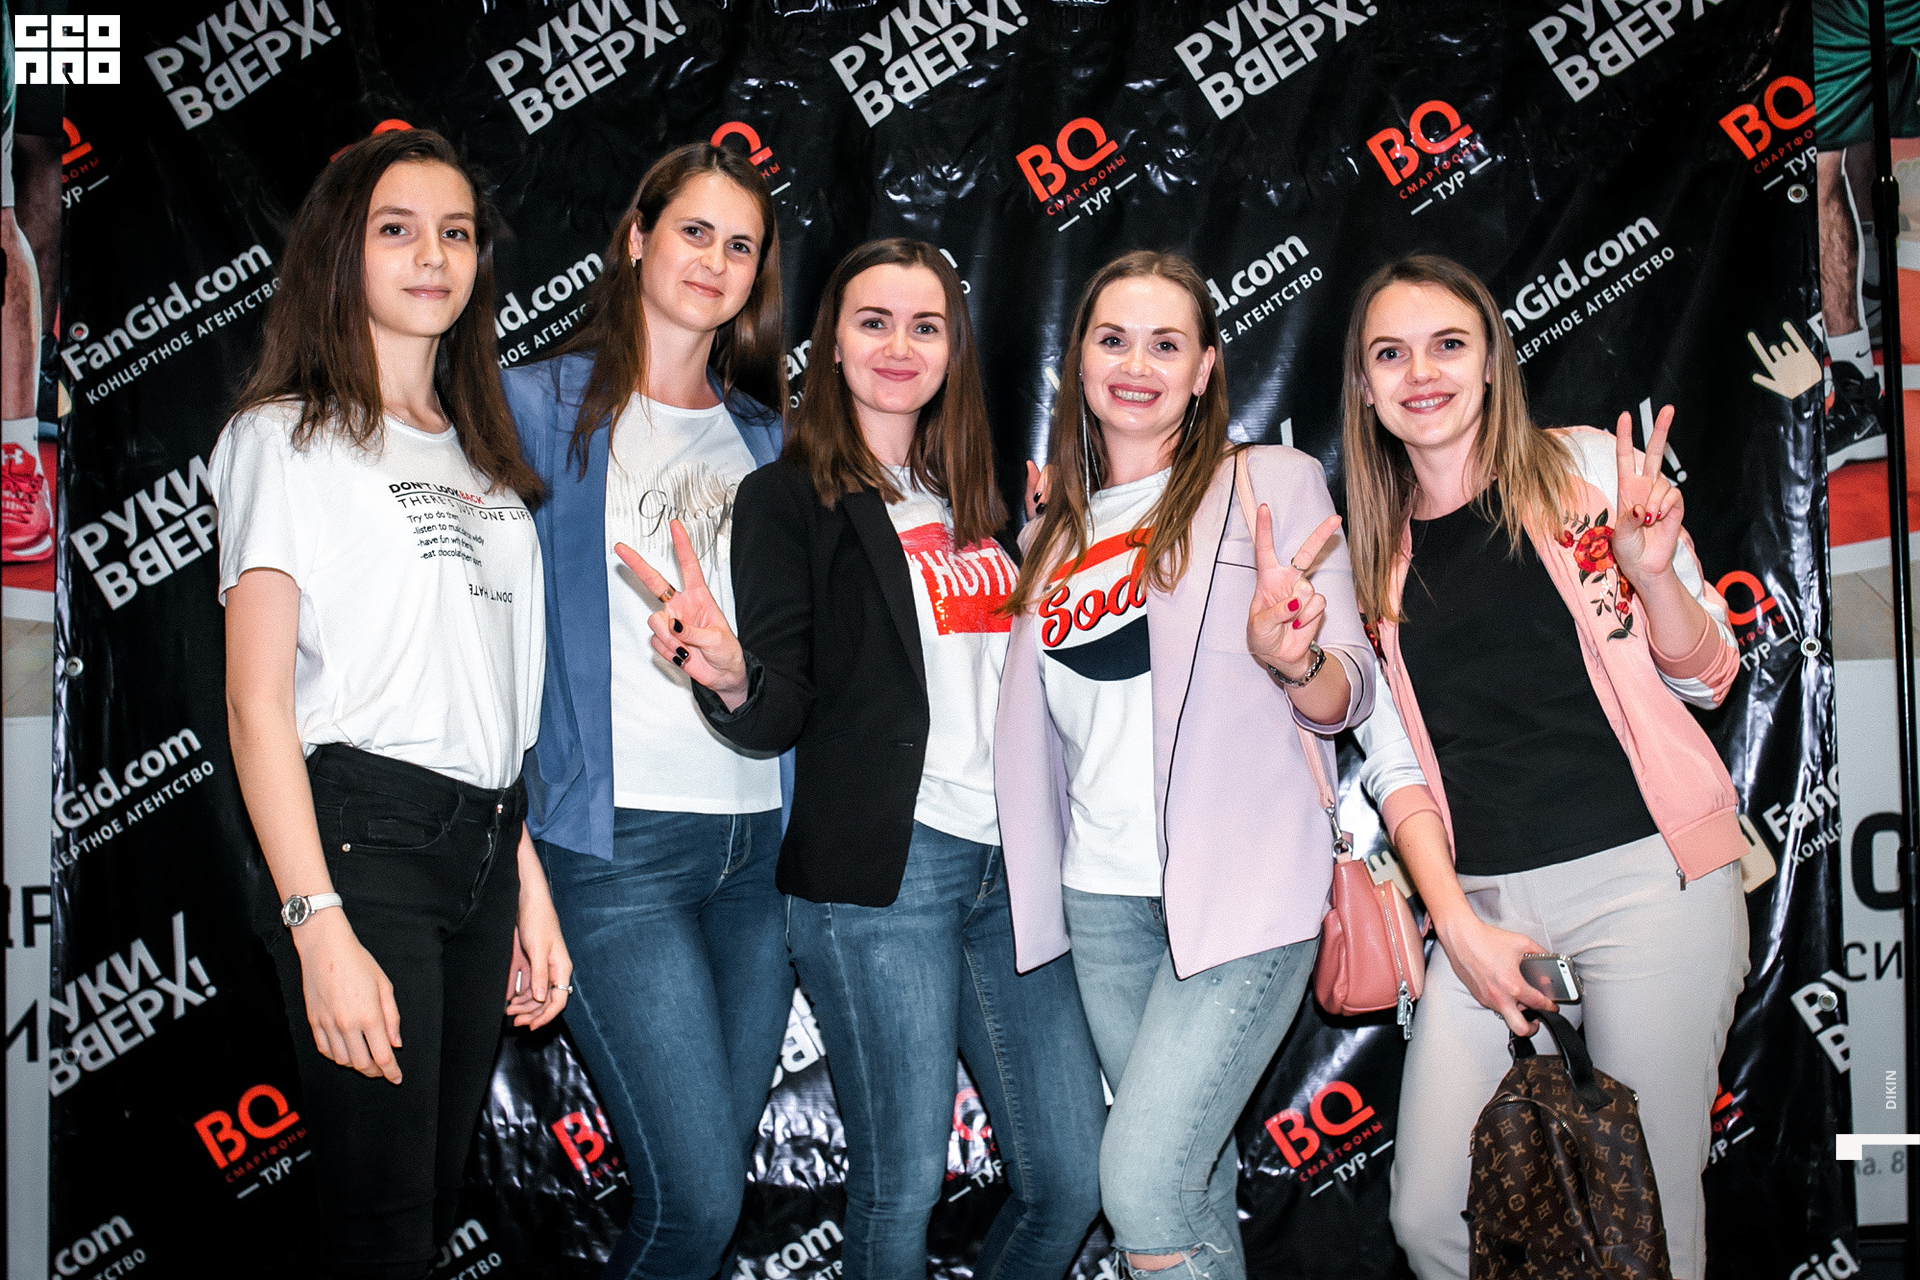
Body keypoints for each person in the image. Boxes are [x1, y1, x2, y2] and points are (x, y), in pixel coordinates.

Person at [624, 238, 1106, 1280]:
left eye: (925, 326)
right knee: (902, 1189)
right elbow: (778, 707)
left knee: (1072, 1179)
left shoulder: (982, 499)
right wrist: (730, 675)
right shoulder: (788, 498)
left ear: (953, 349)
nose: (899, 346)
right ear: (832, 345)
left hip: (1013, 867)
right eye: (873, 322)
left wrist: (1043, 566)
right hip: (887, 876)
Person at [1337, 254, 1749, 1280]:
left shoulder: (1591, 472)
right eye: (1390, 353)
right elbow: (1397, 767)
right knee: (1432, 1217)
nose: (1421, 373)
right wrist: (1457, 927)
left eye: (1448, 344)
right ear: (1364, 385)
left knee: (1645, 1229)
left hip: (1650, 884)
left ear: (1491, 362)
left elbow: (1711, 676)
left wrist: (1654, 578)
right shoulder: (1368, 555)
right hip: (1483, 909)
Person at [212, 128, 571, 1279]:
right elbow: (256, 703)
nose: (433, 255)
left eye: (456, 232)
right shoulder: (283, 437)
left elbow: (489, 701)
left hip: (484, 848)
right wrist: (317, 923)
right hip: (364, 847)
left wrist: (528, 890)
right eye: (398, 229)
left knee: (427, 1205)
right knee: (379, 1226)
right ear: (341, 249)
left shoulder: (484, 460)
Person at [996, 249, 1375, 1280]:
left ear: (1207, 368)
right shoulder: (1051, 534)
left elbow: (1351, 691)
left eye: (1166, 344)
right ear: (1078, 362)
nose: (1138, 366)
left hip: (1242, 893)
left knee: (1144, 1188)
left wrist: (1295, 659)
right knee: (1192, 1190)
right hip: (1102, 905)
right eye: (1113, 340)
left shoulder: (1271, 485)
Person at [499, 141, 791, 1280]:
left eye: (740, 245)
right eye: (693, 231)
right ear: (636, 238)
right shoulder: (531, 407)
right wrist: (517, 858)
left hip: (761, 858)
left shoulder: (770, 439)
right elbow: (477, 644)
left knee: (707, 1195)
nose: (714, 260)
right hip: (616, 855)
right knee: (698, 1203)